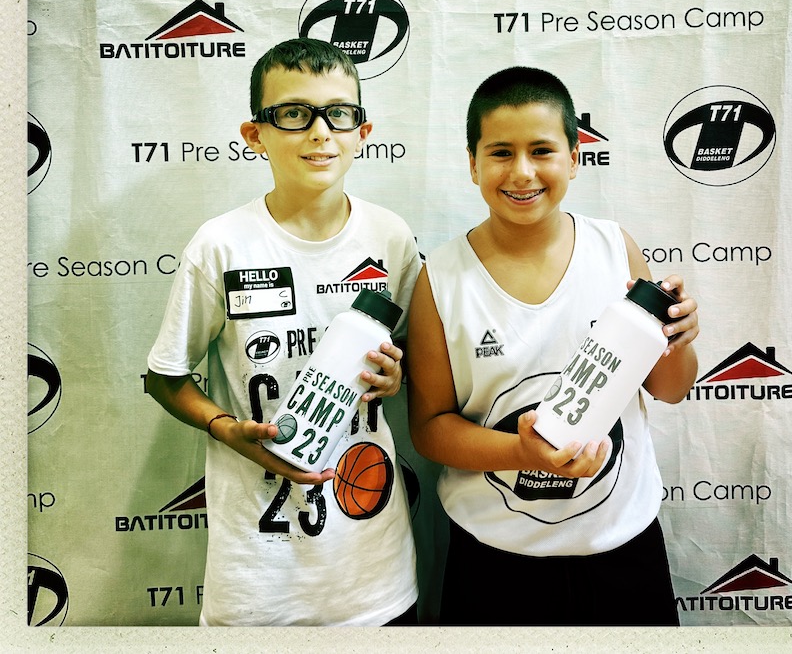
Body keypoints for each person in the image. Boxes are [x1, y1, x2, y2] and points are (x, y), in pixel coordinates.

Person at [406, 66, 699, 626]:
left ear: (574, 157)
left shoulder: (614, 248)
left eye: (541, 150)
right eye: (500, 153)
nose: (522, 172)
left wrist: (678, 340)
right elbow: (430, 429)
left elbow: (670, 389)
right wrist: (521, 454)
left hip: (622, 546)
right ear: (472, 163)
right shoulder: (440, 277)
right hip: (495, 559)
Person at [146, 38, 420, 626]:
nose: (320, 132)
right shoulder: (221, 245)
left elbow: (413, 359)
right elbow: (164, 377)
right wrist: (226, 428)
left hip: (374, 573)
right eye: (295, 114)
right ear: (256, 134)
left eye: (338, 114)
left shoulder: (392, 238)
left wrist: (397, 376)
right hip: (258, 578)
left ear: (362, 131)